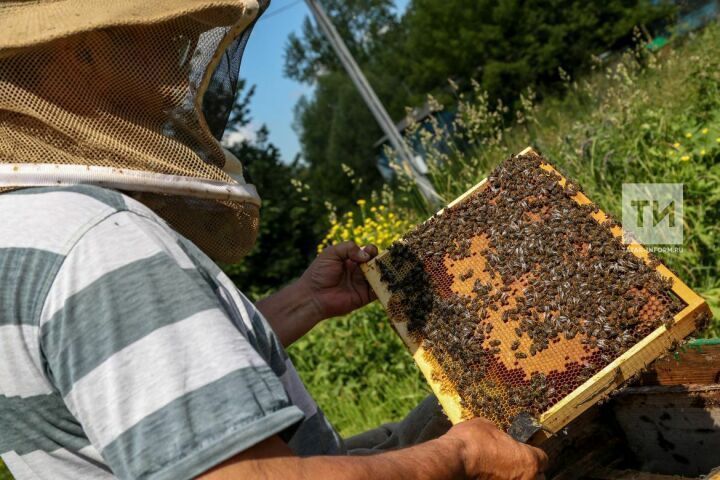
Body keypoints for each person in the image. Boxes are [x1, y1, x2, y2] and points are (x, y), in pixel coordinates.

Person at [0, 1, 547, 479]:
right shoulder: (99, 240)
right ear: (84, 54)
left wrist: (303, 302)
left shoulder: (24, 232)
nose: (185, 53)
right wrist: (459, 459)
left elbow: (138, 381)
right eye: (162, 29)